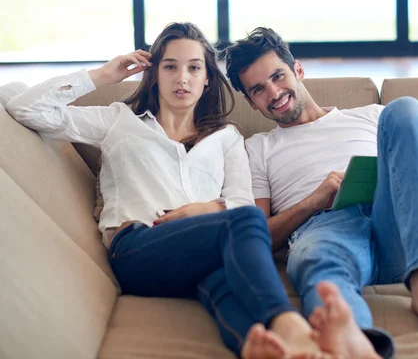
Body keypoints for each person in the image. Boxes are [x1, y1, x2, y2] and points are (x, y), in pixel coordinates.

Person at [4, 22, 368, 359]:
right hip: (138, 248)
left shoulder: (227, 139)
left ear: (208, 79)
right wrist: (104, 75)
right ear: (154, 74)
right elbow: (24, 106)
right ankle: (291, 326)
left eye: (194, 67)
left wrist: (209, 208)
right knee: (242, 224)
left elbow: (243, 204)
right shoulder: (118, 121)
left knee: (228, 287)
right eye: (170, 67)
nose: (182, 78)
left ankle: (267, 349)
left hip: (203, 253)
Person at [219, 27, 418, 351]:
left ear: (298, 69)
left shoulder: (372, 116)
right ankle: (354, 342)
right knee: (316, 258)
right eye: (258, 89)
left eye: (278, 76)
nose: (274, 92)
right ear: (250, 102)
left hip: (394, 220)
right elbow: (258, 238)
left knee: (405, 108)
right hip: (326, 229)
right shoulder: (258, 148)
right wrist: (312, 202)